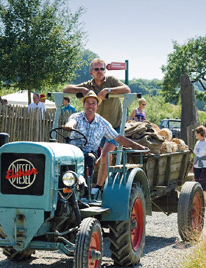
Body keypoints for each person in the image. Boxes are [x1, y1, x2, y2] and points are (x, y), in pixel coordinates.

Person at [63, 58, 131, 188]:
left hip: (112, 126)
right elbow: (66, 88)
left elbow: (126, 89)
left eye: (102, 69)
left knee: (105, 155)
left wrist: (108, 91)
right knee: (83, 155)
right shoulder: (89, 85)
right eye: (96, 69)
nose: (100, 71)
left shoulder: (111, 80)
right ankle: (76, 185)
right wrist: (82, 90)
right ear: (91, 72)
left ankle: (99, 188)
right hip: (96, 128)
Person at [63, 91, 148, 193]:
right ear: (84, 105)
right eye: (88, 103)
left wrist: (138, 146)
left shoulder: (102, 123)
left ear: (97, 106)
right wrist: (69, 125)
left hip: (89, 153)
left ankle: (84, 191)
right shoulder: (76, 117)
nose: (90, 106)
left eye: (93, 103)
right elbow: (72, 122)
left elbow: (118, 138)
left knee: (89, 158)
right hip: (74, 152)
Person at [193, 126, 206, 204]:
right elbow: (195, 154)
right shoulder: (197, 143)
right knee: (197, 182)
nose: (195, 135)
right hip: (197, 165)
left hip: (204, 166)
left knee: (203, 183)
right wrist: (193, 165)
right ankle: (197, 200)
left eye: (196, 133)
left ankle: (204, 200)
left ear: (200, 133)